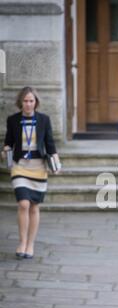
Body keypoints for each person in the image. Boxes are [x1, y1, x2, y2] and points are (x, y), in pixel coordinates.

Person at [2, 86, 60, 259]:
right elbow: (8, 142)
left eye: (31, 101)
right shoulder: (13, 120)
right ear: (20, 102)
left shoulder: (44, 120)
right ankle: (21, 242)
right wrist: (5, 151)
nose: (28, 104)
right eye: (25, 101)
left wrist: (56, 163)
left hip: (39, 167)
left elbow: (50, 144)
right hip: (20, 166)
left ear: (36, 102)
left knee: (34, 206)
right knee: (23, 204)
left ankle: (30, 244)